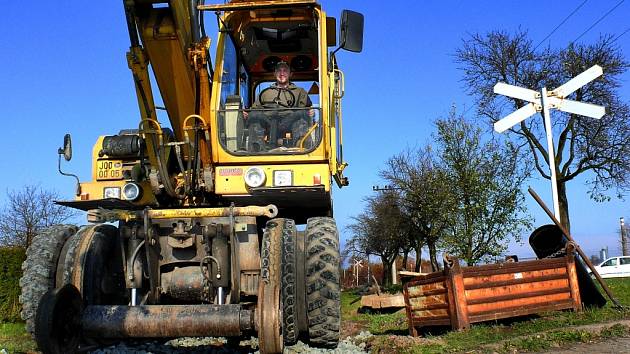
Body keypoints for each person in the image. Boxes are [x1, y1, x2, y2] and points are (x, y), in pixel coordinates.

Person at [244, 62, 315, 150]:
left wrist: (311, 112)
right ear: (275, 74)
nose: (282, 73)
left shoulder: (300, 92)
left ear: (290, 74)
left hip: (289, 121)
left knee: (300, 115)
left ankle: (300, 144)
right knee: (254, 116)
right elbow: (255, 109)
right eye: (279, 71)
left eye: (285, 71)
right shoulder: (265, 92)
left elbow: (307, 109)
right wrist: (248, 114)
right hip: (268, 121)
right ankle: (256, 147)